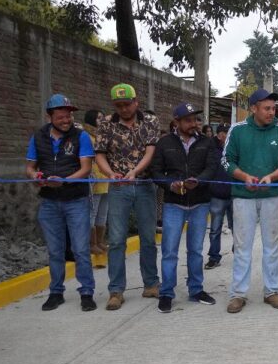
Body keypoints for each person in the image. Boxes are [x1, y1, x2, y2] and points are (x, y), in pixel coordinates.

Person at [222, 88, 278, 313]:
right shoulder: (237, 130)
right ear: (253, 108)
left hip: (272, 196)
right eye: (266, 108)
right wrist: (244, 177)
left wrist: (272, 176)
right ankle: (238, 294)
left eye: (273, 108)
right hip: (243, 196)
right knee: (242, 245)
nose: (271, 112)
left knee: (272, 245)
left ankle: (272, 291)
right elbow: (226, 161)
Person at [26, 94, 96, 312]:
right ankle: (56, 292)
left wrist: (63, 181)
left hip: (76, 200)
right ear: (50, 117)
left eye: (69, 115)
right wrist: (36, 177)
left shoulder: (81, 136)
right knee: (55, 251)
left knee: (81, 249)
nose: (66, 120)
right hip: (49, 202)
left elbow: (86, 168)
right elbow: (29, 166)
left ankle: (87, 292)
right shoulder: (37, 137)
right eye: (61, 116)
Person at [95, 84, 161, 311]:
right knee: (116, 240)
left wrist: (135, 171)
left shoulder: (150, 122)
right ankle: (116, 290)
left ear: (136, 102)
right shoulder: (105, 124)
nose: (123, 109)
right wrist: (109, 173)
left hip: (144, 184)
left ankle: (151, 283)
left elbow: (150, 151)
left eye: (127, 104)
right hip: (118, 187)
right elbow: (100, 155)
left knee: (148, 237)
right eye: (119, 105)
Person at [151, 103, 217, 313]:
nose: (193, 124)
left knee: (196, 251)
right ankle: (167, 293)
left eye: (195, 119)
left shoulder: (206, 143)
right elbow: (156, 171)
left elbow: (212, 167)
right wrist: (171, 184)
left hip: (200, 202)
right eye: (188, 120)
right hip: (173, 204)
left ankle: (196, 290)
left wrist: (199, 180)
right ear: (176, 122)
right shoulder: (164, 143)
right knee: (169, 251)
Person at [205, 123, 234, 269]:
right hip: (216, 194)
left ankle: (239, 252)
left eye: (226, 132)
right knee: (215, 228)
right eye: (222, 132)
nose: (224, 135)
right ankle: (214, 257)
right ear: (218, 133)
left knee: (237, 226)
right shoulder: (210, 147)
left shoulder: (234, 147)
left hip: (234, 193)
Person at [83, 109, 109, 256]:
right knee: (92, 212)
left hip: (105, 179)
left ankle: (100, 241)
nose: (102, 120)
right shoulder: (86, 137)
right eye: (99, 118)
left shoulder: (102, 137)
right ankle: (91, 243)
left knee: (103, 214)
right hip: (93, 180)